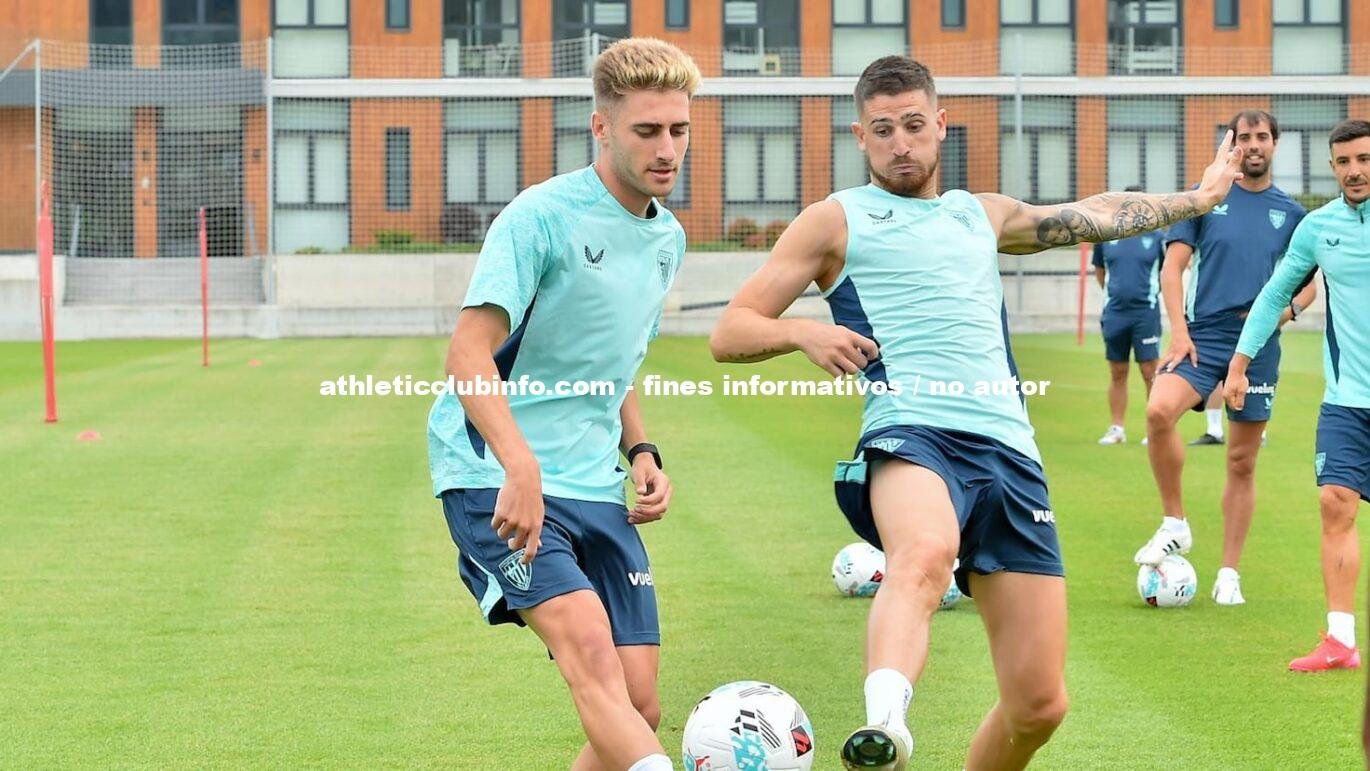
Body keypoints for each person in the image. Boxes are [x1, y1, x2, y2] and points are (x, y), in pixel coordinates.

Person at [708, 55, 1242, 771]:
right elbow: (731, 330)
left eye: (914, 125)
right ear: (861, 137)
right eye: (882, 130)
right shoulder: (835, 220)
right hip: (912, 432)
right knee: (923, 554)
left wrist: (1198, 199)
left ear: (940, 125)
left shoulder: (979, 213)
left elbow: (1093, 213)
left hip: (1011, 454)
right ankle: (884, 728)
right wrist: (802, 330)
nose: (900, 143)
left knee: (1039, 705)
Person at [426, 38, 696, 771]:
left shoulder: (667, 239)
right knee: (591, 660)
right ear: (602, 128)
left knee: (638, 704)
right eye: (647, 130)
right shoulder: (540, 217)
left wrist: (641, 451)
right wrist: (519, 465)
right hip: (495, 474)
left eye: (678, 130)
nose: (667, 149)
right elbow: (467, 353)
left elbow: (617, 361)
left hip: (593, 482)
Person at [1133, 109, 1318, 606]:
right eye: (1245, 137)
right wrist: (1178, 333)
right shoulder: (1206, 195)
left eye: (1262, 136)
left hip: (1257, 345)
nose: (1253, 144)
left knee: (1240, 461)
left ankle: (1229, 573)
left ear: (1275, 144)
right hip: (1204, 337)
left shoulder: (1292, 214)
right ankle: (1175, 521)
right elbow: (1172, 269)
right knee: (1158, 410)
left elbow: (1308, 286)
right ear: (1233, 145)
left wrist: (1283, 315)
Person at [1224, 119, 1370, 671]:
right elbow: (1274, 295)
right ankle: (1340, 641)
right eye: (1344, 162)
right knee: (1335, 502)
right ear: (1331, 167)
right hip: (1346, 399)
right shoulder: (1317, 227)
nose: (1354, 171)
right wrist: (1239, 363)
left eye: (1364, 159)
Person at [1093, 184, 1166, 446]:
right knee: (1117, 371)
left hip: (1145, 313)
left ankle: (1154, 431)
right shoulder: (1107, 235)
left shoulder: (1157, 238)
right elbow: (1100, 272)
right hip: (1115, 314)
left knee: (1150, 371)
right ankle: (1117, 429)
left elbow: (1165, 272)